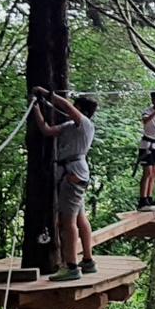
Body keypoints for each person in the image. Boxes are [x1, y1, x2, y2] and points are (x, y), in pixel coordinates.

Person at [31, 87, 98, 282]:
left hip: (73, 174)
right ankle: (87, 260)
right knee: (79, 218)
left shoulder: (84, 124)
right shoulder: (70, 126)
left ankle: (71, 266)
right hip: (73, 173)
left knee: (66, 222)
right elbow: (46, 130)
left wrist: (45, 92)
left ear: (81, 110)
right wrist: (35, 107)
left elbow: (66, 106)